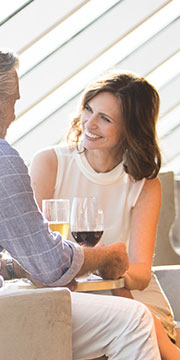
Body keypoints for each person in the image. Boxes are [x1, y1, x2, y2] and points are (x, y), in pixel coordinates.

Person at [0, 41, 160, 359]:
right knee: (132, 321)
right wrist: (106, 256)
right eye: (13, 102)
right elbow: (51, 266)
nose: (13, 114)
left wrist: (15, 269)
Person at [29, 71, 179, 359]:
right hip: (70, 293)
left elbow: (140, 273)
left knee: (135, 315)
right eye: (88, 109)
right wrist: (97, 264)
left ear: (131, 130)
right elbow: (34, 253)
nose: (90, 123)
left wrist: (111, 274)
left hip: (129, 294)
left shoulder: (145, 185)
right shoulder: (50, 163)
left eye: (105, 119)